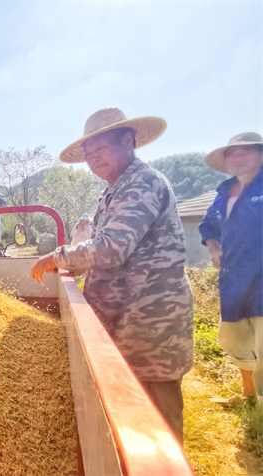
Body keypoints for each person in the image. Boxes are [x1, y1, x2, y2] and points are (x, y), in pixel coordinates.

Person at [30, 108, 194, 442]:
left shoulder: (142, 183)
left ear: (128, 140)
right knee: (132, 423)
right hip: (126, 324)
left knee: (157, 432)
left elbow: (111, 248)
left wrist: (58, 257)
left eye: (99, 149)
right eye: (88, 154)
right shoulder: (115, 189)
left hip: (151, 328)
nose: (92, 159)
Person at [199, 132, 263, 404]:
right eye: (232, 153)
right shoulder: (224, 192)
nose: (238, 156)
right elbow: (207, 227)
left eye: (246, 151)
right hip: (233, 279)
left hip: (260, 278)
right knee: (237, 338)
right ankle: (248, 396)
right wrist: (215, 250)